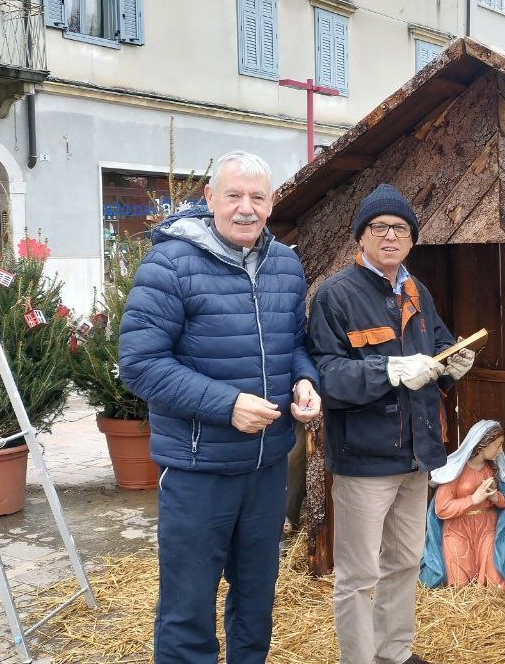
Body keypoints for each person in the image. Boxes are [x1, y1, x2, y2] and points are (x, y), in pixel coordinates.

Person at [119, 151, 322, 664]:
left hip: (267, 466)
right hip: (197, 469)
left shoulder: (285, 263)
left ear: (272, 203)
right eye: (233, 195)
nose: (246, 208)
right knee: (188, 608)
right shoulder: (170, 264)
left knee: (256, 602)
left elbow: (296, 342)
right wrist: (226, 404)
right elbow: (140, 364)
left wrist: (304, 379)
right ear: (209, 199)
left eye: (257, 197)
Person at [307, 183, 476, 664]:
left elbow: (438, 353)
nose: (389, 236)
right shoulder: (336, 296)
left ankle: (393, 651)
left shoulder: (417, 290)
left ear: (412, 239)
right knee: (358, 576)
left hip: (417, 455)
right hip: (365, 460)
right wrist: (387, 371)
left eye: (399, 228)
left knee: (403, 562)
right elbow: (325, 376)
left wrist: (452, 367)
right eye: (378, 227)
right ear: (361, 237)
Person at [421, 420, 505, 591]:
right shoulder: (454, 471)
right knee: (459, 587)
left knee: (498, 586)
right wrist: (473, 499)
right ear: (483, 445)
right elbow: (442, 509)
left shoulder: (493, 470)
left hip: (486, 528)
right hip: (458, 530)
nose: (501, 450)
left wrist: (496, 497)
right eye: (498, 445)